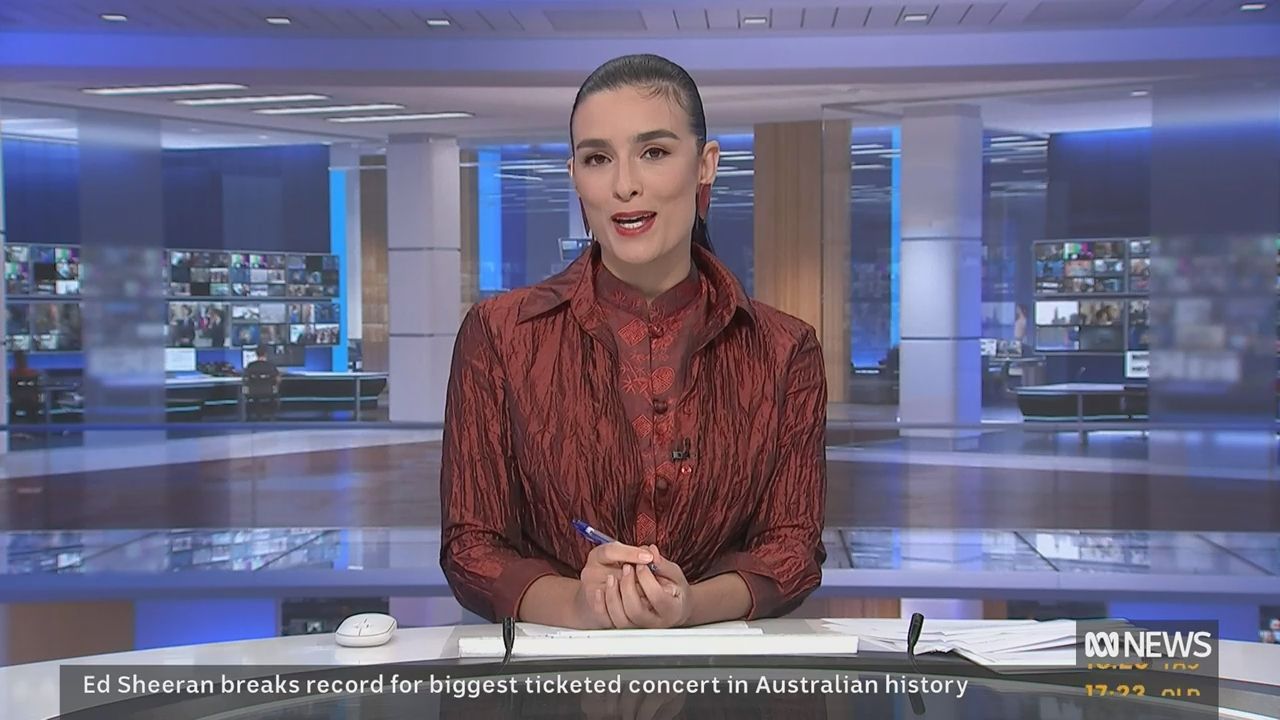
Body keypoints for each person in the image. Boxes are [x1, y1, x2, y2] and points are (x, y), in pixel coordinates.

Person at [440, 54, 827, 630]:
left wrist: (691, 605)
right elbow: (471, 547)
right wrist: (579, 604)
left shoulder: (785, 349)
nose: (624, 185)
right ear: (575, 175)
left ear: (705, 165)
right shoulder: (499, 335)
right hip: (552, 670)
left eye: (654, 152)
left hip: (718, 671)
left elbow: (792, 550)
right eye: (598, 158)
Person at [242, 346, 280, 420]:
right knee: (275, 396)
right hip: (268, 391)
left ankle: (257, 415)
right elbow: (278, 379)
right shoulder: (271, 365)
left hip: (253, 392)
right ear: (265, 354)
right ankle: (271, 416)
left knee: (254, 396)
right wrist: (276, 386)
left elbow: (245, 378)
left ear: (256, 354)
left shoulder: (250, 365)